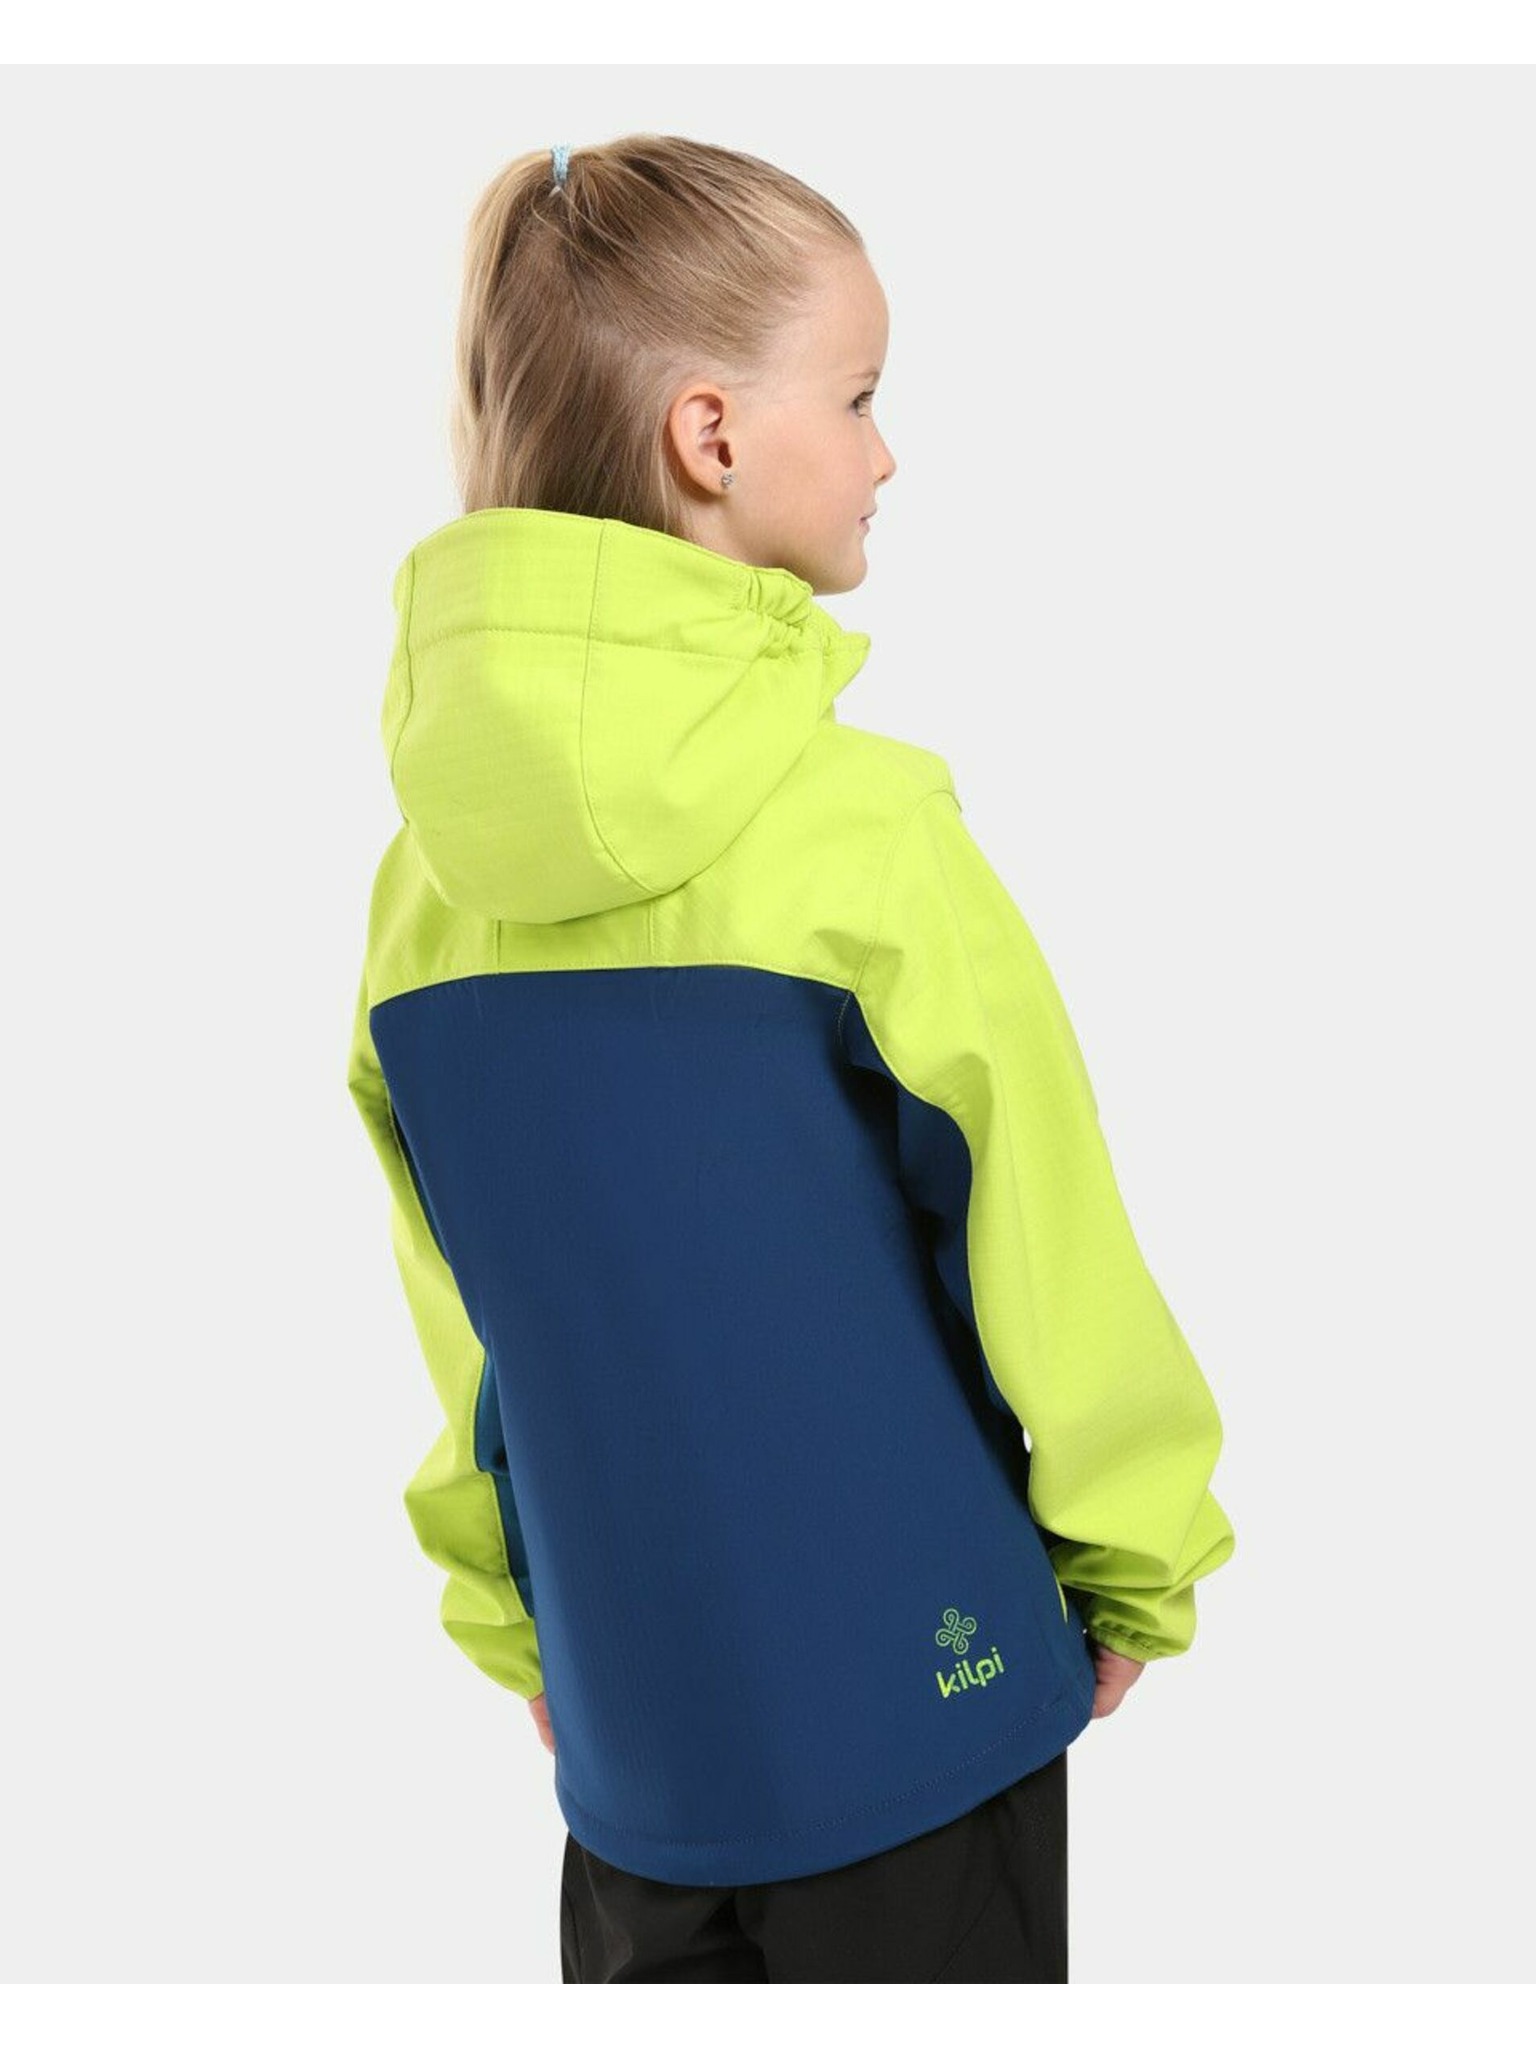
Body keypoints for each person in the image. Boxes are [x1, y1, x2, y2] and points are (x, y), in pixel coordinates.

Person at [346, 132, 1236, 1984]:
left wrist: (518, 1621)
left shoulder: (422, 893)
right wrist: (1137, 1555)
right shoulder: (866, 831)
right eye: (860, 395)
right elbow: (1043, 1237)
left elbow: (472, 1321)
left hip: (635, 1746)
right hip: (927, 1713)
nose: (888, 453)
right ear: (713, 437)